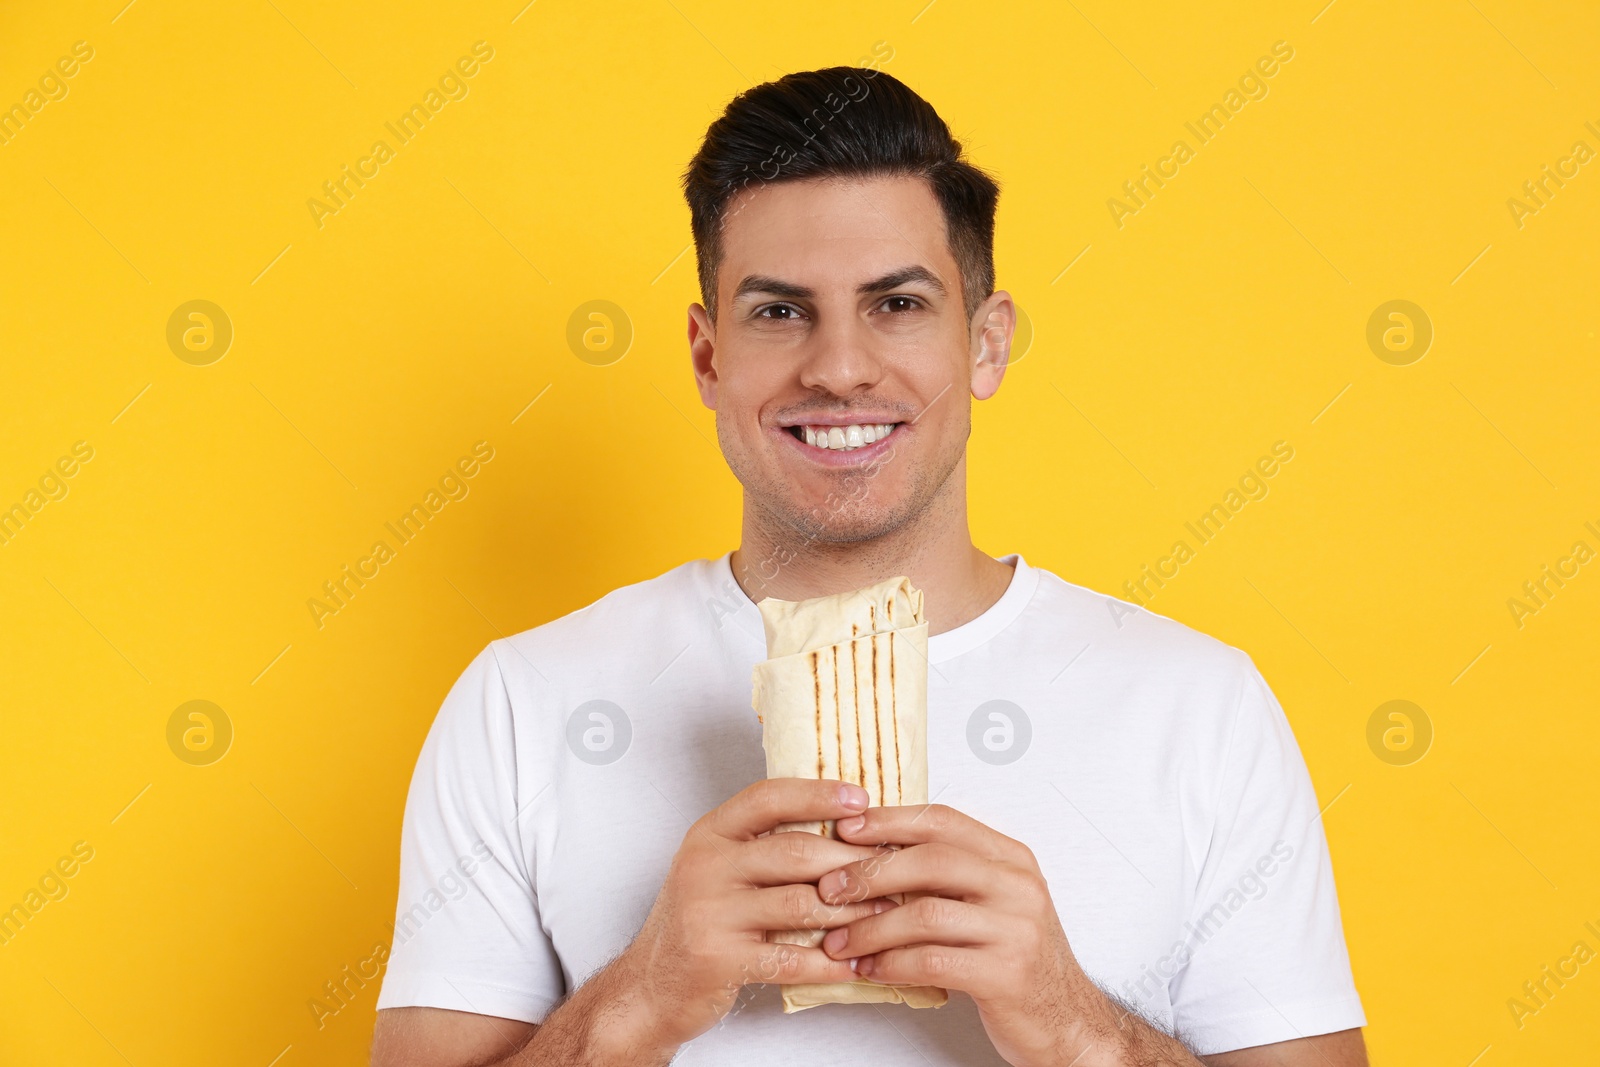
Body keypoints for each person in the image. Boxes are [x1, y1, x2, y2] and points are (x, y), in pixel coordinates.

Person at [369, 66, 1367, 1066]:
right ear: (708, 357)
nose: (838, 366)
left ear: (985, 344)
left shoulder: (1197, 705)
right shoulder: (525, 699)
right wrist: (644, 992)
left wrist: (1075, 1025)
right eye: (778, 311)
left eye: (895, 302)